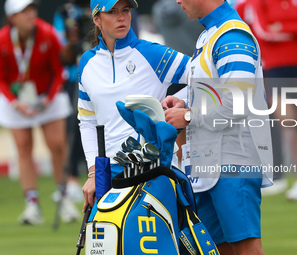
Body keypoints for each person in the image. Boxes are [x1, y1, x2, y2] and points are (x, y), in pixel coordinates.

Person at [162, 0, 273, 254]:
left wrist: (187, 116)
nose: (177, 1)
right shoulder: (208, 34)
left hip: (235, 160)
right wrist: (184, 100)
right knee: (214, 249)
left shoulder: (232, 33)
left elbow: (237, 102)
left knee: (246, 248)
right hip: (207, 164)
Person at [79, 0, 190, 212]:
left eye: (125, 10)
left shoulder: (153, 54)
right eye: (111, 12)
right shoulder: (86, 62)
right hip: (107, 174)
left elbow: (205, 76)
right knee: (105, 244)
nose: (121, 17)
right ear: (96, 19)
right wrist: (94, 173)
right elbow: (87, 120)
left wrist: (182, 101)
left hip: (153, 170)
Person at [0, 0, 80, 224]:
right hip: (17, 101)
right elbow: (1, 78)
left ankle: (64, 199)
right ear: (12, 17)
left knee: (57, 145)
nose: (30, 14)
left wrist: (47, 100)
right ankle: (32, 205)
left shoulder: (48, 33)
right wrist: (16, 103)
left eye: (32, 9)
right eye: (24, 11)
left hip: (48, 98)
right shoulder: (3, 40)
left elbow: (59, 70)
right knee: (23, 148)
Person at [236, 0, 297, 200]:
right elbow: (264, 30)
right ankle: (275, 172)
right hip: (276, 66)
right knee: (286, 118)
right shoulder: (260, 2)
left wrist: (281, 26)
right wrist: (296, 30)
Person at [53, 0, 93, 203]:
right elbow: (63, 53)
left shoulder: (105, 6)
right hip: (73, 79)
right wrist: (73, 39)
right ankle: (72, 180)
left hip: (101, 75)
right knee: (75, 129)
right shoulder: (65, 12)